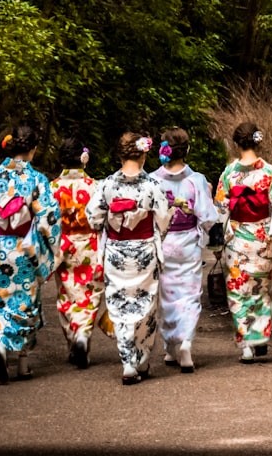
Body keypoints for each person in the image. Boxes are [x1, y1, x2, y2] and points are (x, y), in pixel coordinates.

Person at [0, 123, 61, 384]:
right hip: (26, 248)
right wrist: (49, 246)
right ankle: (22, 364)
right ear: (33, 149)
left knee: (1, 298)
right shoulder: (37, 180)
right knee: (26, 302)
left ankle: (0, 347)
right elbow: (49, 219)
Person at [214, 121, 272, 364]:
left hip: (236, 238)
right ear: (258, 142)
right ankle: (260, 337)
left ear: (236, 144)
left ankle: (246, 344)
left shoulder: (229, 173)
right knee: (262, 290)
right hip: (262, 238)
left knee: (238, 290)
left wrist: (215, 244)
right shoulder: (270, 172)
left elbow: (220, 210)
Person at [86, 132, 170, 385]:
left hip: (116, 252)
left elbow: (93, 218)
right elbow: (164, 219)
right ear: (144, 154)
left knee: (120, 305)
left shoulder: (107, 185)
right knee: (146, 305)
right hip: (144, 250)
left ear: (120, 155)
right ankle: (142, 358)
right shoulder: (153, 185)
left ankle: (127, 363)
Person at [150, 127, 220, 373]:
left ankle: (170, 347)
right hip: (188, 243)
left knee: (167, 295)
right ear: (187, 150)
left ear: (164, 150)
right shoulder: (196, 180)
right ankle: (186, 342)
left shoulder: (152, 180)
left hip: (164, 243)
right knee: (189, 294)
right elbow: (208, 216)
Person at [50, 137, 113, 369]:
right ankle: (83, 333)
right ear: (84, 160)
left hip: (62, 244)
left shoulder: (52, 188)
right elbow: (104, 218)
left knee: (66, 293)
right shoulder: (95, 186)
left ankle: (73, 337)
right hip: (90, 243)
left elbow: (46, 221)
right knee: (91, 292)